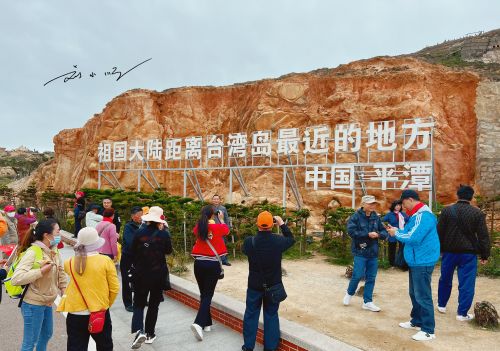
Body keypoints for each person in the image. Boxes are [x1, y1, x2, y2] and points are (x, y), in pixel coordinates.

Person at [387, 189, 440, 342]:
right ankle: (417, 320)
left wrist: (395, 234)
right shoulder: (416, 216)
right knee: (414, 293)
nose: (404, 208)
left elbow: (413, 237)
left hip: (422, 261)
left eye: (404, 204)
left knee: (423, 295)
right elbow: (409, 232)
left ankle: (428, 330)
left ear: (410, 200)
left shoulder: (424, 216)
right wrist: (398, 230)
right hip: (417, 260)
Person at [57, 227, 119, 351]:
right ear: (96, 243)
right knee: (104, 345)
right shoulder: (105, 261)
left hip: (75, 312)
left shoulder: (69, 262)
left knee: (76, 347)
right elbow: (114, 289)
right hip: (99, 311)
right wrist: (105, 305)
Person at [241, 211, 294, 351]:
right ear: (272, 225)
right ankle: (270, 348)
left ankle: (248, 346)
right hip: (273, 286)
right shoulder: (278, 241)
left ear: (257, 224)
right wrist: (282, 224)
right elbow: (291, 239)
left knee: (251, 315)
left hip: (254, 285)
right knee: (271, 316)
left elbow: (244, 250)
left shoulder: (249, 242)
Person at [11, 219, 67, 351]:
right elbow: (16, 278)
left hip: (46, 301)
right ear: (47, 235)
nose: (60, 235)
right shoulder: (33, 252)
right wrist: (40, 271)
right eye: (58, 232)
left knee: (47, 334)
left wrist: (63, 288)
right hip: (32, 304)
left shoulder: (53, 250)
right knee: (30, 342)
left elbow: (60, 270)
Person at [436, 185, 491, 321]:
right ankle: (462, 314)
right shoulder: (477, 213)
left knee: (445, 278)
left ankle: (441, 305)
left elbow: (439, 232)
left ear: (458, 195)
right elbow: (483, 236)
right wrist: (485, 254)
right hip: (468, 253)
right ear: (471, 197)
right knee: (467, 283)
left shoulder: (447, 211)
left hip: (449, 252)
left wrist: (440, 250)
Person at [130, 206, 173, 349]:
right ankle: (149, 334)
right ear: (160, 219)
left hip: (141, 274)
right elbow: (168, 251)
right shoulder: (164, 235)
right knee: (154, 305)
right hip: (158, 274)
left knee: (138, 303)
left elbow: (132, 250)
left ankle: (138, 331)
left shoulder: (139, 233)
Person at [190, 205, 229, 341]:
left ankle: (207, 323)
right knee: (208, 295)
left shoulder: (199, 227)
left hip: (198, 264)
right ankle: (198, 323)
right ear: (213, 215)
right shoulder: (217, 227)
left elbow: (196, 230)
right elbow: (226, 230)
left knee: (203, 293)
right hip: (212, 264)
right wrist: (222, 219)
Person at [343, 195, 388, 312]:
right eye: (370, 203)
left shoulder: (376, 217)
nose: (373, 206)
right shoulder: (355, 217)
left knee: (371, 278)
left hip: (373, 252)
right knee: (357, 275)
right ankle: (349, 293)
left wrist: (378, 235)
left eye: (374, 204)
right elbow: (351, 232)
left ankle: (367, 302)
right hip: (360, 251)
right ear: (363, 204)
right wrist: (367, 234)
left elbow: (384, 231)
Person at [121, 206, 143, 312]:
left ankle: (138, 300)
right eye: (138, 215)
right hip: (128, 258)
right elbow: (130, 242)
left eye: (142, 215)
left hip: (139, 258)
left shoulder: (143, 226)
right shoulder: (128, 227)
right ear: (132, 216)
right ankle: (128, 303)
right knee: (127, 281)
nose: (140, 217)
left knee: (139, 280)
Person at [382, 200, 409, 266]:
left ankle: (401, 263)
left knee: (402, 248)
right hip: (392, 234)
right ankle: (392, 263)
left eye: (399, 205)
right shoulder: (389, 214)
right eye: (396, 205)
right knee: (392, 249)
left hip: (402, 233)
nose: (398, 207)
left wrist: (406, 228)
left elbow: (409, 221)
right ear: (393, 206)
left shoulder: (403, 214)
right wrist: (387, 227)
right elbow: (382, 221)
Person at [211, 194, 232, 266]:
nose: (216, 200)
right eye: (214, 199)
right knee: (213, 245)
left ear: (220, 200)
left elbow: (226, 219)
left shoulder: (223, 208)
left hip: (221, 229)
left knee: (223, 244)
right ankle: (215, 260)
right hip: (212, 229)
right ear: (212, 200)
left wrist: (228, 228)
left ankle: (224, 260)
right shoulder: (209, 208)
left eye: (217, 199)